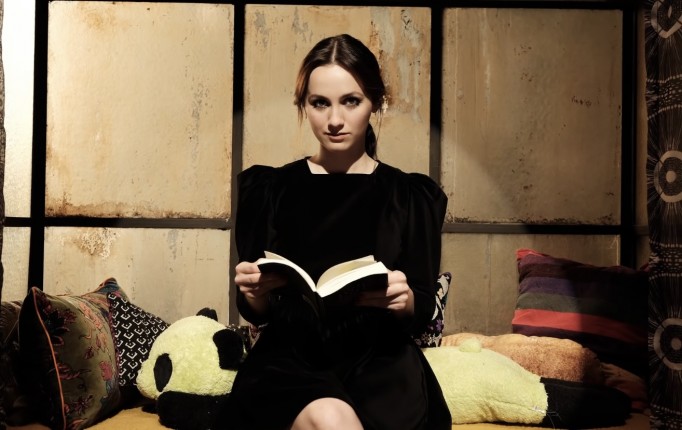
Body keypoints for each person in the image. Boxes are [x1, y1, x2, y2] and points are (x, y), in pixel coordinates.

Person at [227, 33, 452, 430]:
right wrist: (252, 294)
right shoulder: (268, 190)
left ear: (376, 102)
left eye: (351, 101)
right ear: (303, 104)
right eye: (320, 103)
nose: (334, 120)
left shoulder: (410, 195)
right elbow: (256, 311)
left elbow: (419, 311)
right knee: (330, 417)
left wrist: (406, 302)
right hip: (291, 359)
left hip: (380, 365)